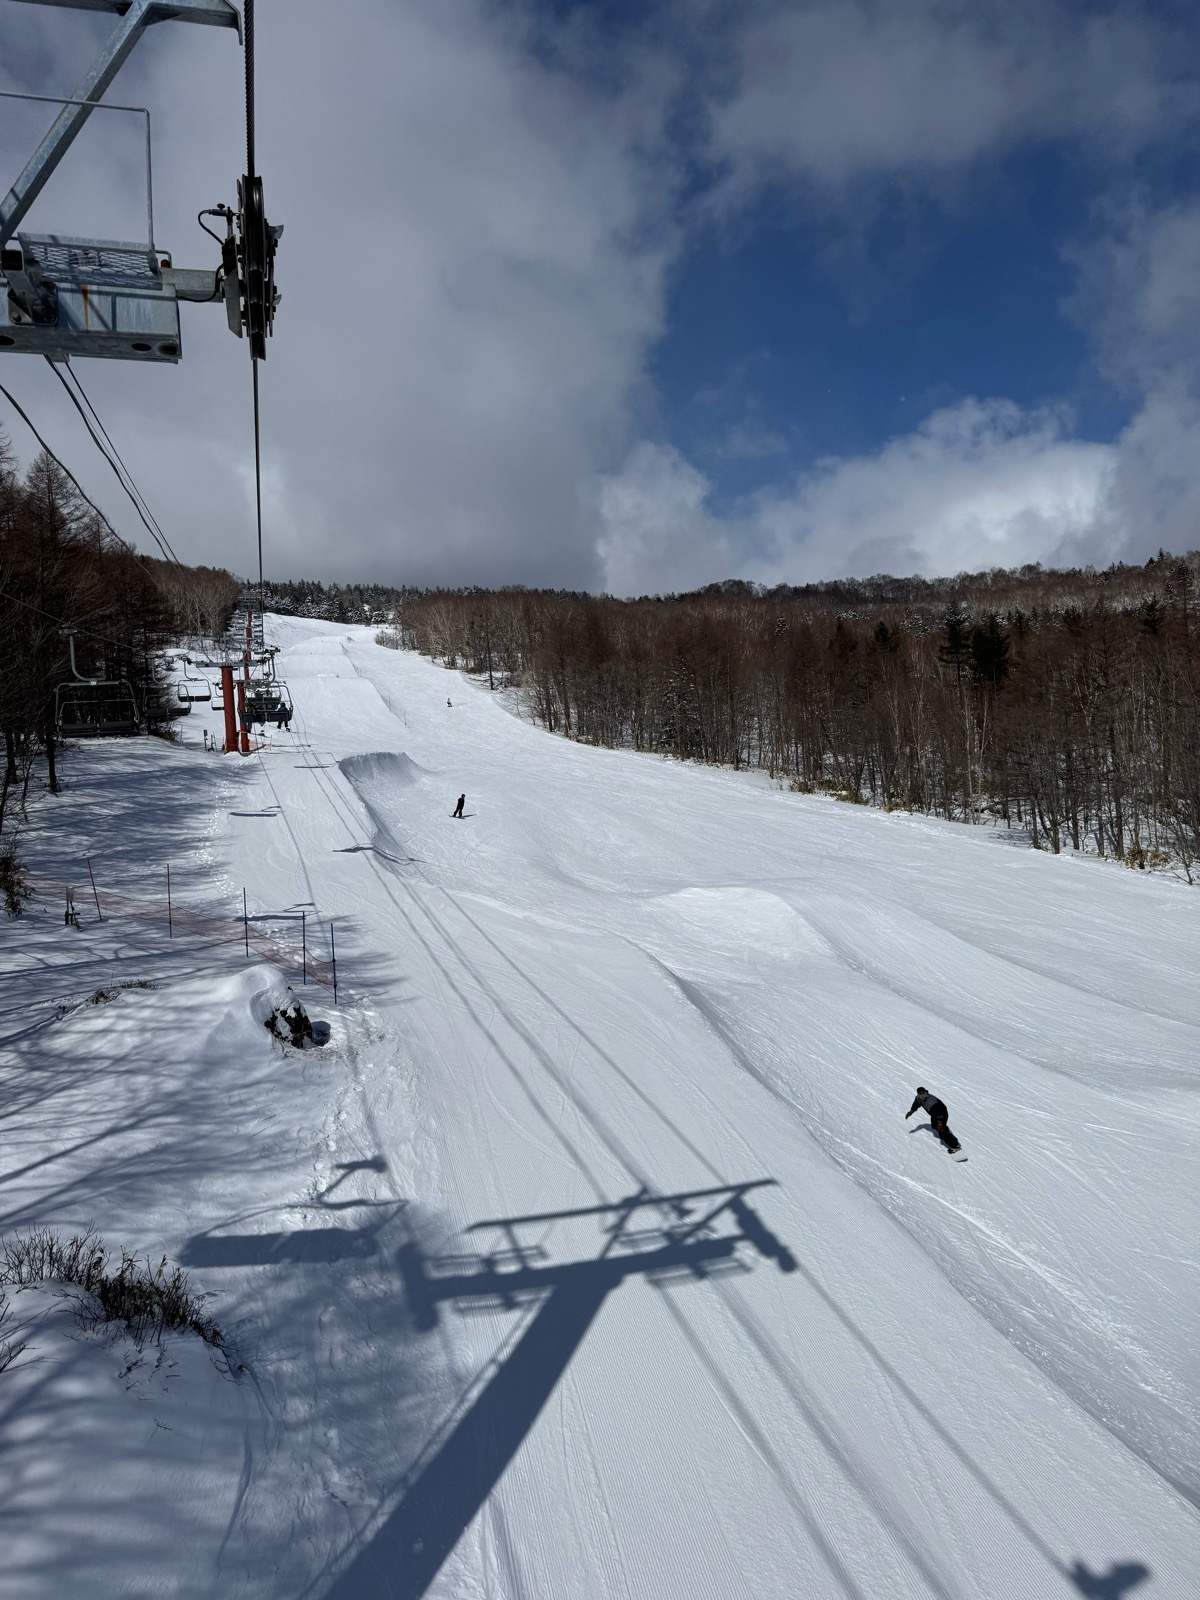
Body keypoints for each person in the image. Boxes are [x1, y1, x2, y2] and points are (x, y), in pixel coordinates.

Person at [905, 1086, 960, 1153]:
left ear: (926, 1093)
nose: (922, 1097)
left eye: (924, 1094)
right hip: (934, 1114)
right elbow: (916, 1104)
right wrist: (911, 1111)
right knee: (934, 1126)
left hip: (942, 1113)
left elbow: (939, 1111)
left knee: (941, 1130)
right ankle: (946, 1131)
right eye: (921, 1095)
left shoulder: (931, 1101)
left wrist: (940, 1122)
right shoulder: (918, 1098)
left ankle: (955, 1146)